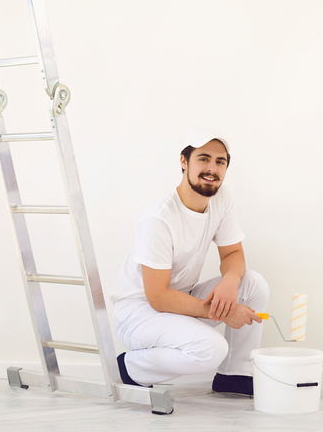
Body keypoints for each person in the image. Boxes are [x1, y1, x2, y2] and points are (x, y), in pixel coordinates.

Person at [111, 127, 269, 396]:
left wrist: (230, 282)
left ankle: (235, 375)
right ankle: (131, 368)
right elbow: (158, 297)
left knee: (253, 283)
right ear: (184, 162)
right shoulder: (158, 219)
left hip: (180, 299)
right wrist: (223, 312)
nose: (212, 168)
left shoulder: (221, 198)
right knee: (212, 349)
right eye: (203, 158)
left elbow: (232, 254)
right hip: (140, 312)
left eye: (220, 161)